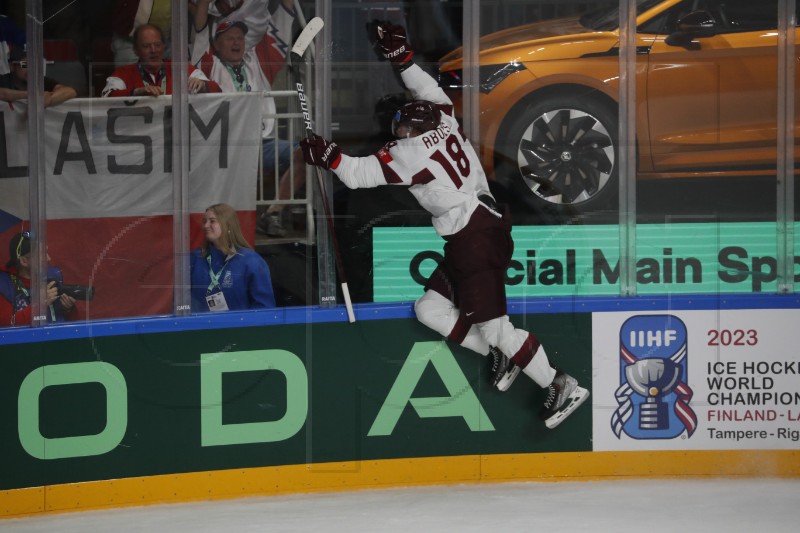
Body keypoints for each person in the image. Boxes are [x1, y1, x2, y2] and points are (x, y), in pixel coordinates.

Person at [299, 23, 589, 429]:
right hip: (479, 230)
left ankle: (560, 383)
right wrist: (401, 59)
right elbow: (426, 88)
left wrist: (327, 155)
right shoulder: (445, 119)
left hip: (473, 238)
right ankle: (498, 355)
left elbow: (357, 175)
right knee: (429, 308)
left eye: (401, 128)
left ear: (412, 132)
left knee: (496, 327)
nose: (396, 132)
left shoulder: (409, 153)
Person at [193, 9, 305, 238]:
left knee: (305, 152)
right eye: (229, 38)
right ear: (217, 44)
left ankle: (273, 213)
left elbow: (284, 16)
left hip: (260, 144)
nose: (236, 42)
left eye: (240, 38)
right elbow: (200, 29)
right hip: (223, 148)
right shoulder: (208, 65)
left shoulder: (257, 62)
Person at [190, 203, 276, 311]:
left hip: (240, 327)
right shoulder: (194, 259)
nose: (206, 226)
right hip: (201, 326)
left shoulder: (252, 262)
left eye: (212, 221)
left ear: (228, 226)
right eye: (204, 221)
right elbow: (181, 304)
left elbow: (265, 308)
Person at [102, 24, 221, 97]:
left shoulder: (182, 69)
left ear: (164, 47)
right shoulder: (123, 73)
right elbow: (106, 98)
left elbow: (217, 90)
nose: (153, 50)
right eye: (146, 46)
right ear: (136, 50)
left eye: (157, 45)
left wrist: (203, 85)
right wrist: (135, 93)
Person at [0, 231, 77, 327]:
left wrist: (68, 309)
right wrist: (39, 305)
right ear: (24, 261)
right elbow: (6, 327)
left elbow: (73, 324)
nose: (48, 258)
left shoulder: (53, 276)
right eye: (42, 254)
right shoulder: (3, 285)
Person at [0, 47, 78, 107]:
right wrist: (31, 96)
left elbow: (70, 91)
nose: (31, 69)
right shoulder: (4, 80)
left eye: (34, 64)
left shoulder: (41, 81)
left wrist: (49, 99)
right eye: (25, 64)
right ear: (12, 66)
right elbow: (2, 93)